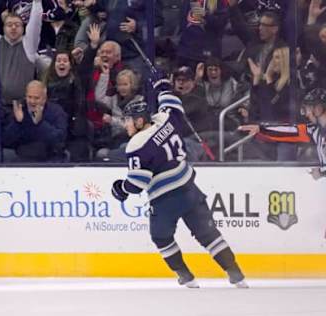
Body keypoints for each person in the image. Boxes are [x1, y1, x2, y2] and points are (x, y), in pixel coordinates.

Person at [110, 84, 248, 288]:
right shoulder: (165, 119)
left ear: (140, 121)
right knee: (208, 234)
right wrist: (163, 87)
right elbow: (173, 104)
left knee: (161, 237)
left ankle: (186, 275)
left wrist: (121, 189)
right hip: (189, 188)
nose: (125, 125)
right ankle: (235, 272)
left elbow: (138, 183)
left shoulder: (137, 144)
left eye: (128, 120)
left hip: (166, 199)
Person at [239, 87, 326, 180]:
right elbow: (289, 131)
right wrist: (261, 129)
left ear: (318, 109)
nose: (306, 114)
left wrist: (322, 173)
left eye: (309, 108)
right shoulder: (314, 130)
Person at [2, 80, 68, 162]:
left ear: (44, 99)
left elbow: (60, 141)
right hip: (22, 160)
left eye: (36, 98)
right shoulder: (19, 110)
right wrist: (17, 122)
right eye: (29, 97)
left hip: (50, 161)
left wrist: (40, 124)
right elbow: (6, 141)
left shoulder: (56, 112)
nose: (32, 101)